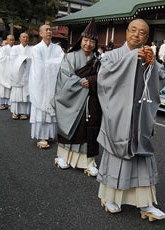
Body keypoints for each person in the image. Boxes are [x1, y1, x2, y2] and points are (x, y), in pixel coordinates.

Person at [97, 19, 165, 221]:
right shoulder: (112, 56)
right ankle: (110, 198)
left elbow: (161, 80)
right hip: (118, 116)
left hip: (140, 116)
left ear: (147, 38)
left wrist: (152, 65)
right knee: (117, 155)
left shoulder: (148, 56)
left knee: (141, 156)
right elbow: (104, 80)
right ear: (126, 32)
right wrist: (130, 59)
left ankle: (146, 204)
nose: (137, 35)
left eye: (142, 33)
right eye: (134, 30)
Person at [53, 18, 102, 176]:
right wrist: (83, 81)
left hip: (90, 101)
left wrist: (92, 81)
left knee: (89, 130)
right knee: (72, 128)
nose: (88, 44)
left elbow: (104, 77)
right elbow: (65, 78)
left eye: (92, 41)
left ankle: (88, 162)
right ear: (81, 40)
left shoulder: (97, 61)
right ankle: (63, 156)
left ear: (95, 44)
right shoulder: (70, 57)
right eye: (86, 40)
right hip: (73, 100)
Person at [29, 25, 64, 148]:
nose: (49, 31)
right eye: (46, 30)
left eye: (50, 30)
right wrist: (54, 63)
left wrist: (49, 63)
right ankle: (41, 137)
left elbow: (62, 62)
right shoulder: (37, 48)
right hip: (41, 82)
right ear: (40, 33)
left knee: (52, 108)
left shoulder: (57, 48)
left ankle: (50, 135)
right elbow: (39, 66)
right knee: (41, 108)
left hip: (54, 83)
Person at [9, 32, 32, 120]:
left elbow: (33, 58)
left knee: (25, 93)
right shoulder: (15, 48)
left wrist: (27, 60)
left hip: (27, 73)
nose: (25, 39)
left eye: (27, 37)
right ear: (20, 38)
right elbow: (13, 58)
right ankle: (15, 112)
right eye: (23, 37)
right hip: (17, 74)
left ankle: (24, 112)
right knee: (17, 92)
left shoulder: (31, 49)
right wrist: (22, 60)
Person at [0, 35, 15, 110]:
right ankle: (2, 103)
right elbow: (1, 58)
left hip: (12, 71)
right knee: (3, 88)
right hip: (4, 70)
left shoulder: (15, 48)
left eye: (13, 40)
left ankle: (10, 103)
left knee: (12, 89)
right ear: (7, 40)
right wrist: (11, 58)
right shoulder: (3, 49)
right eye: (10, 40)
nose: (11, 41)